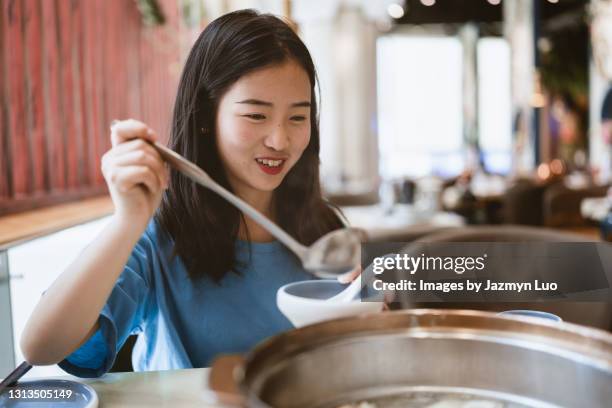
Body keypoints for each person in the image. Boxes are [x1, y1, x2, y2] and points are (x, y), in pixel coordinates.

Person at [20, 9, 356, 377]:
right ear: (205, 116)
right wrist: (126, 221)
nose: (280, 140)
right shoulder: (160, 236)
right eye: (256, 116)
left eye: (297, 117)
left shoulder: (324, 226)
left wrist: (372, 302)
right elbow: (42, 346)